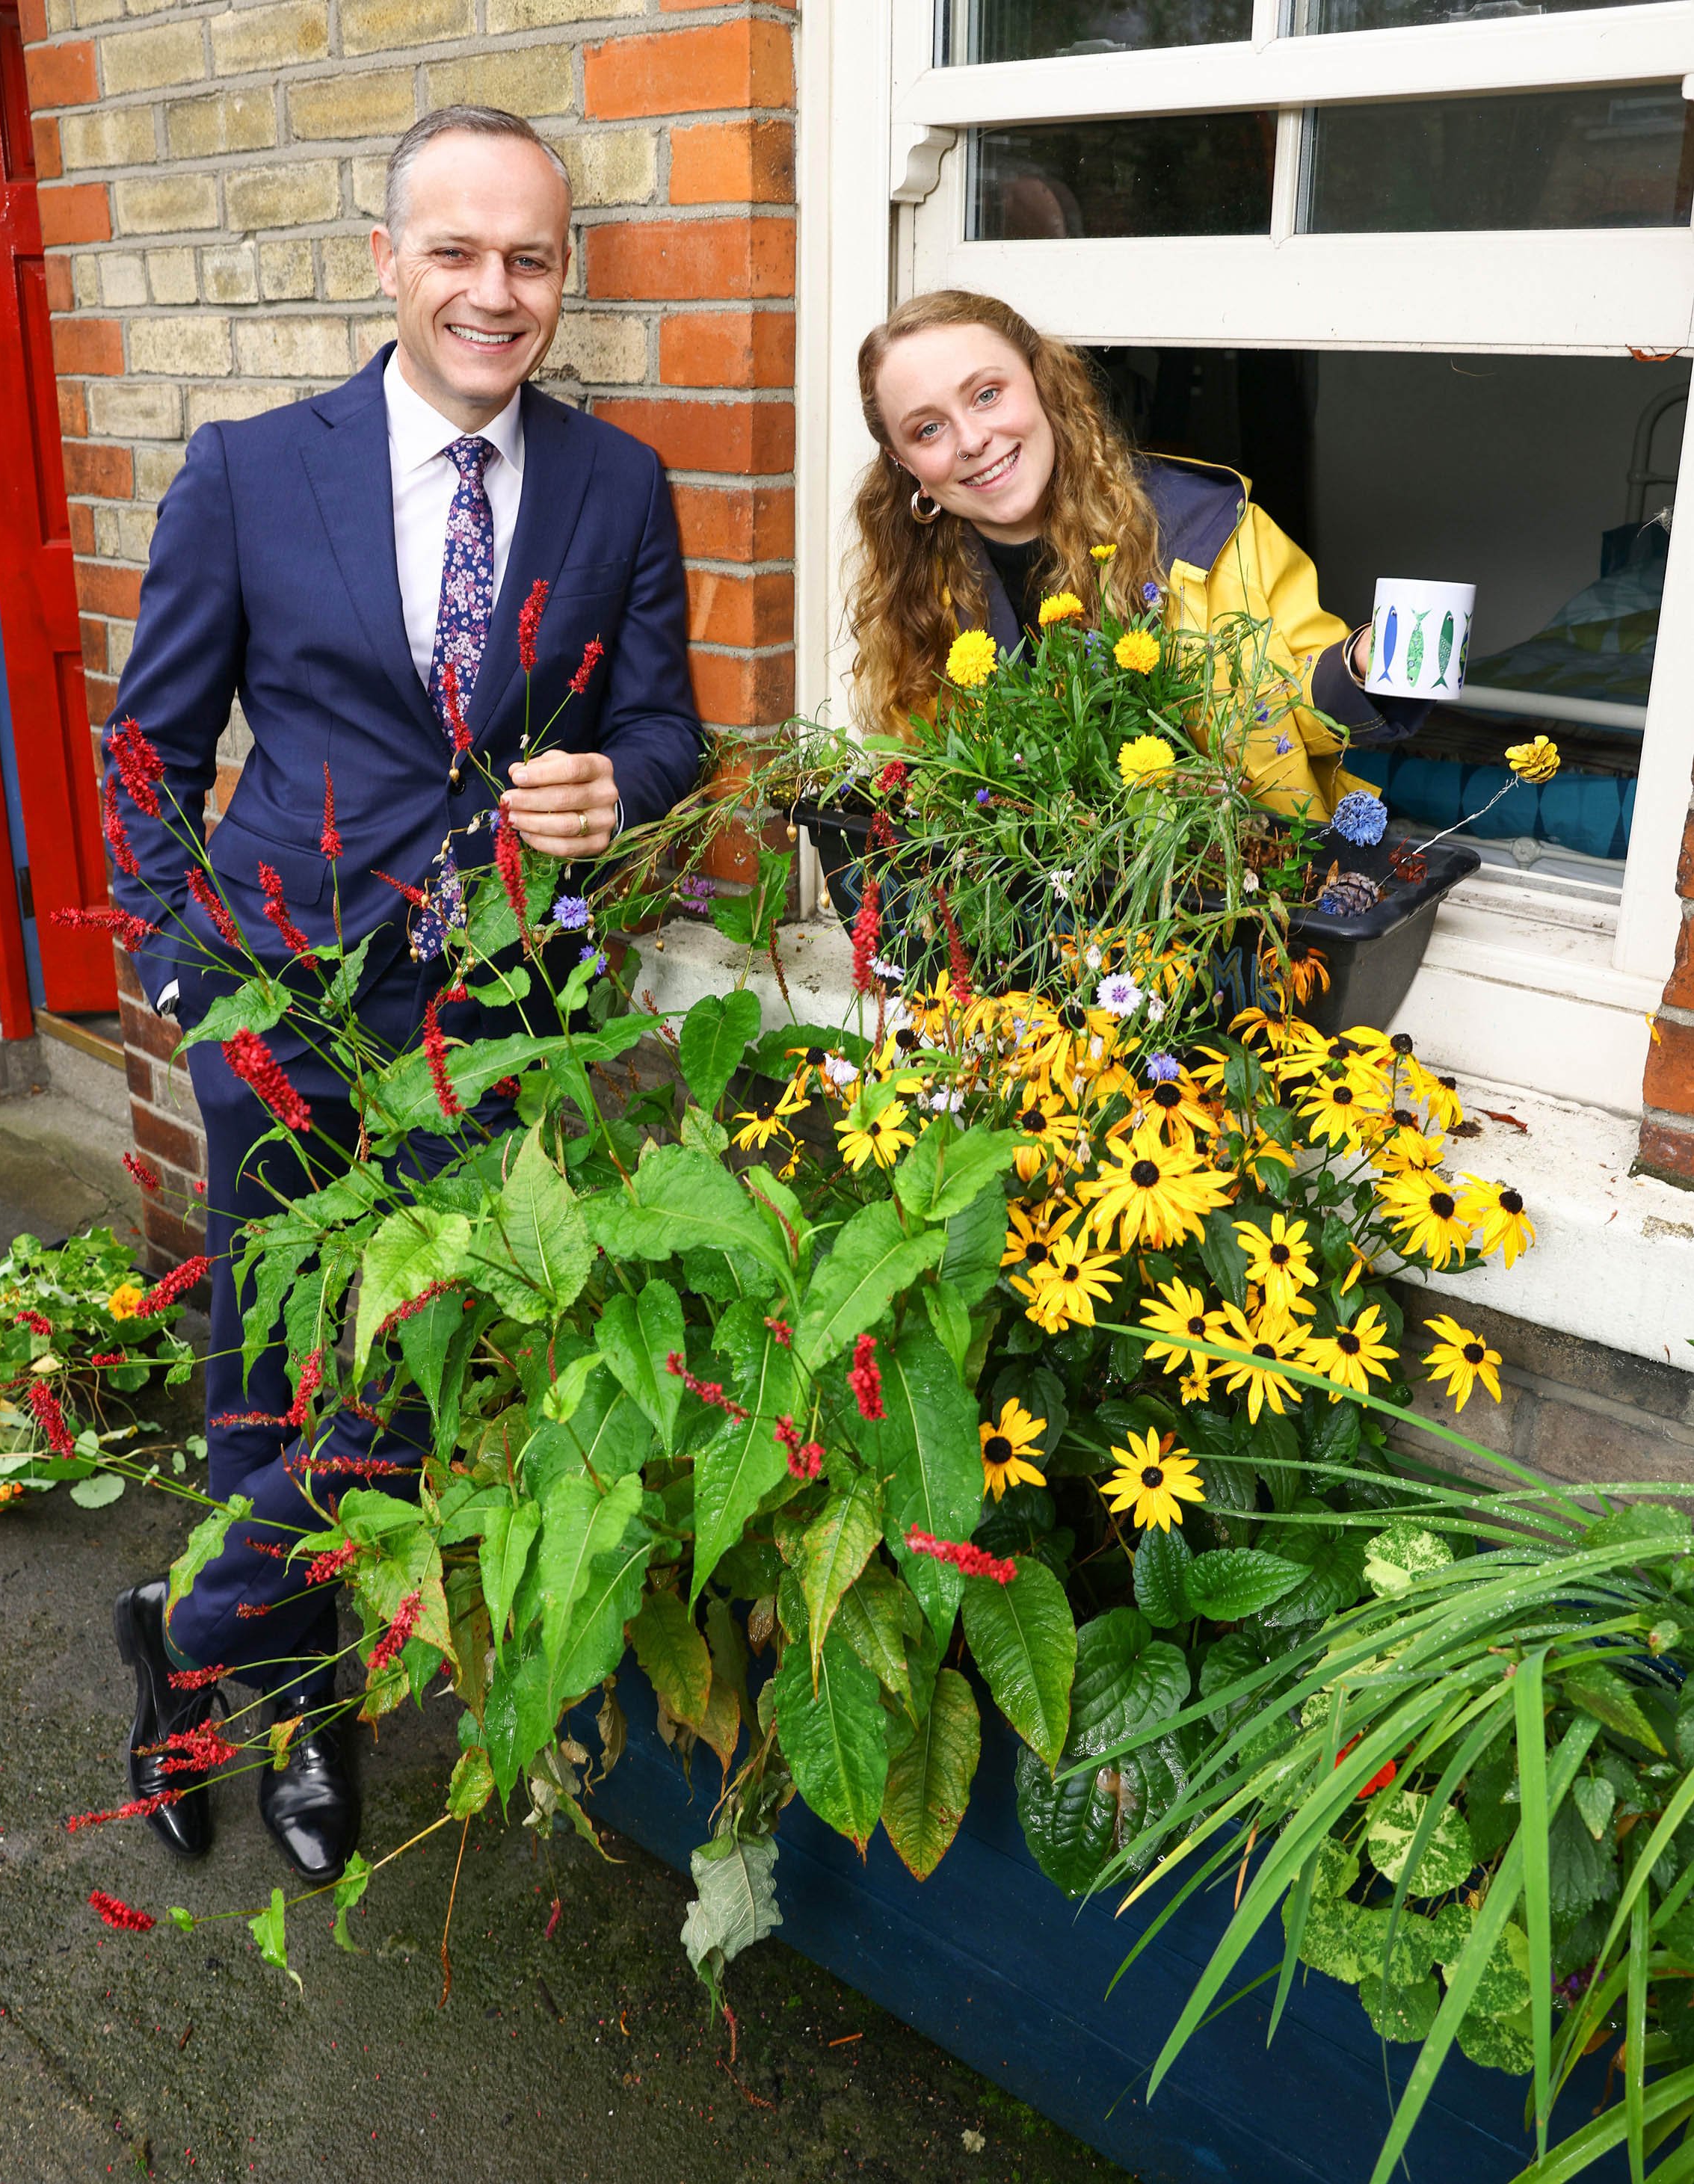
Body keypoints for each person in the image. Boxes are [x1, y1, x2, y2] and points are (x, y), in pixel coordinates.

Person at [102, 106, 702, 1884]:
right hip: (278, 1008)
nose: (491, 292)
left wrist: (626, 788)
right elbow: (152, 744)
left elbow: (664, 726)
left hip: (496, 1012)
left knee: (422, 1379)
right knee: (271, 1376)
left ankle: (181, 1633)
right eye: (455, 252)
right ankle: (285, 1709)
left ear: (561, 273)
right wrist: (169, 960)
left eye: (527, 257)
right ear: (387, 260)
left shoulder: (617, 485)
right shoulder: (245, 469)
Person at [848, 289, 1427, 814]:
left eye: (987, 394)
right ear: (906, 467)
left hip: (1227, 889)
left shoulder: (1207, 529)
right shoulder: (918, 595)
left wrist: (1357, 666)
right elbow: (932, 792)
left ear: (1042, 383)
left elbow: (1283, 705)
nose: (972, 440)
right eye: (928, 430)